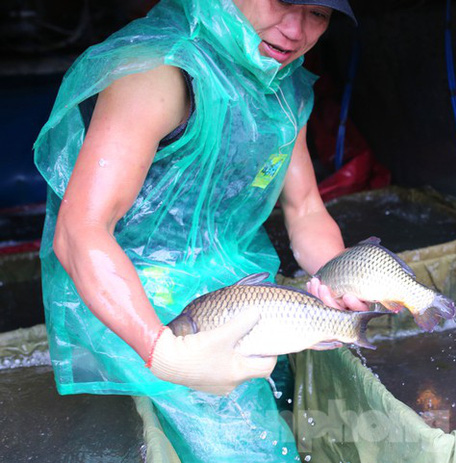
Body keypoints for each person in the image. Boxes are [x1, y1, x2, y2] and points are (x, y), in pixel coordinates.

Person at [34, 0, 364, 461]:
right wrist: (166, 352)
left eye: (319, 15)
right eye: (284, 2)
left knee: (288, 400)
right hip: (136, 307)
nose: (295, 31)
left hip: (238, 295)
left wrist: (340, 279)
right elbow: (79, 231)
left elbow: (306, 209)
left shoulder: (284, 88)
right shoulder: (161, 70)